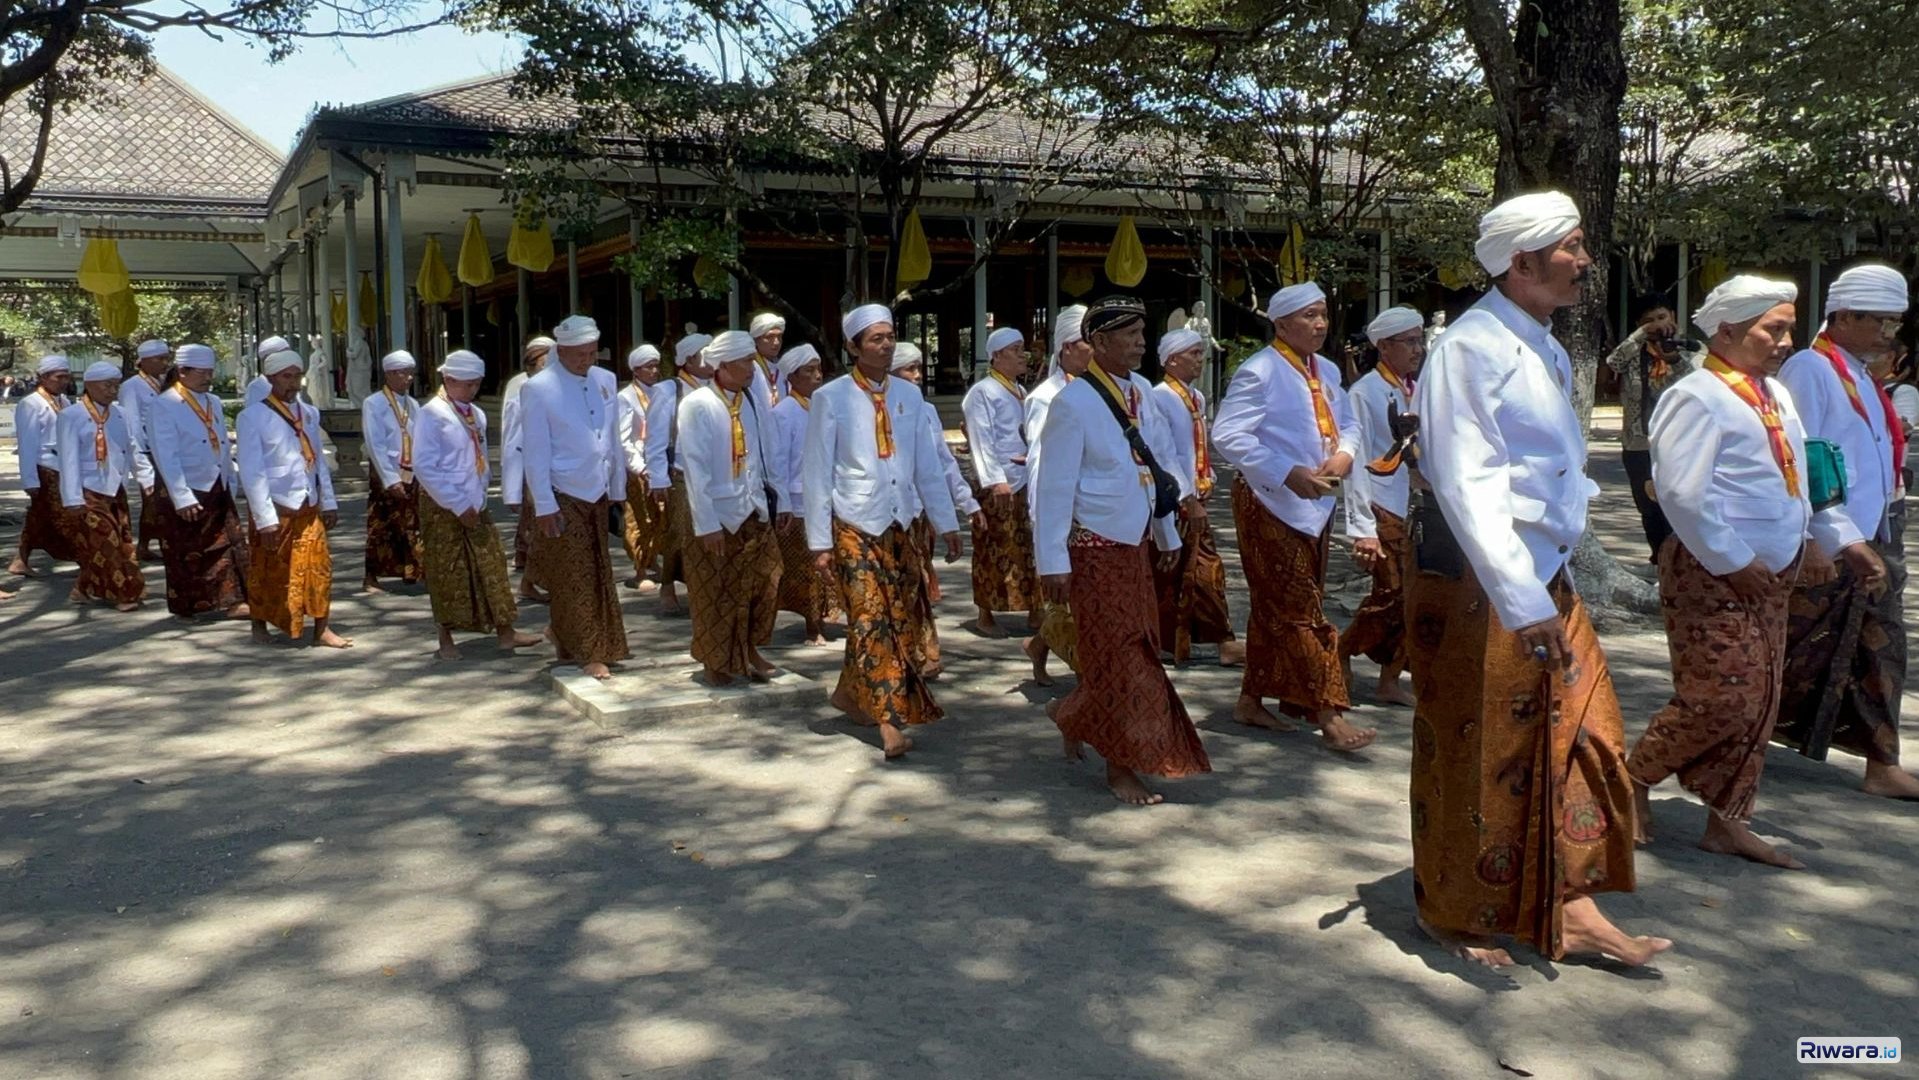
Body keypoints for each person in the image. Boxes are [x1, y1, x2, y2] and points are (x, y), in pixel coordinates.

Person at [1409, 191, 1667, 968]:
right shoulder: (1467, 349)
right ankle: (1456, 913)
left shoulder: (1545, 344)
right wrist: (1521, 600)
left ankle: (1572, 901)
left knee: (1587, 736)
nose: (1585, 262)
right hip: (1484, 585)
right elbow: (1465, 482)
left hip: (1543, 573)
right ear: (1521, 263)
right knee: (1483, 748)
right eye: (1572, 247)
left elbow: (1550, 466)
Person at [1631, 276, 1830, 869]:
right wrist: (1735, 562)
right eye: (1774, 329)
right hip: (1711, 570)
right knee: (1722, 695)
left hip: (1773, 569)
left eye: (1790, 328)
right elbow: (1682, 494)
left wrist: (1811, 539)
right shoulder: (1697, 395)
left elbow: (1794, 473)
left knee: (1763, 697)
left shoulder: (1774, 394)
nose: (1786, 341)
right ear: (1726, 331)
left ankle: (1727, 820)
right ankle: (1632, 777)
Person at [1031, 295, 1209, 805]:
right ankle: (1121, 765)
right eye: (1128, 335)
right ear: (1099, 343)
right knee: (1122, 654)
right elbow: (1054, 488)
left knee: (1137, 645)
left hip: (1136, 543)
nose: (1139, 344)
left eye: (1142, 334)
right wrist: (1053, 562)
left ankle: (1072, 714)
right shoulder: (1073, 403)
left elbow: (1157, 467)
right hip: (1094, 546)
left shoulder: (1143, 397)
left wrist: (1167, 534)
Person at [1774, 263, 1919, 799]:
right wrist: (1814, 537)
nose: (1888, 334)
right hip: (1834, 537)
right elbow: (1801, 457)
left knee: (1878, 647)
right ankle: (1721, 734)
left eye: (1894, 324)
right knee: (1799, 648)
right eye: (1878, 322)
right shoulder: (1812, 370)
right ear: (1843, 315)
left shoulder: (1858, 371)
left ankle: (1882, 761)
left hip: (1873, 529)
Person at [1213, 282, 1375, 752]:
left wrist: (1344, 455)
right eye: (1308, 316)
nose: (1320, 324)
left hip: (1316, 502)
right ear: (1281, 323)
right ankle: (1330, 713)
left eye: (1323, 314)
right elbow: (1228, 435)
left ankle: (1251, 699)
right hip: (1269, 502)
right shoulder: (1259, 371)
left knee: (1275, 606)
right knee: (1302, 609)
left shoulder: (1325, 369)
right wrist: (1285, 472)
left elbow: (1348, 423)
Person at [804, 303, 962, 759]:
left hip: (901, 524)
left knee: (900, 618)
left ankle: (850, 695)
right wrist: (819, 542)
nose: (887, 344)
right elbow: (816, 472)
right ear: (853, 346)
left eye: (890, 336)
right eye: (876, 338)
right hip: (854, 522)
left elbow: (927, 466)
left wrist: (946, 521)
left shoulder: (911, 397)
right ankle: (889, 722)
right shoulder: (830, 398)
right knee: (870, 617)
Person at [412, 350, 543, 661]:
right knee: (446, 571)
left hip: (475, 501)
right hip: (443, 504)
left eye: (476, 384)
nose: (471, 390)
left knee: (492, 565)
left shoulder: (476, 414)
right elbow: (424, 466)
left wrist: (480, 496)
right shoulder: (431, 414)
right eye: (465, 384)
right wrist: (457, 503)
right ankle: (445, 638)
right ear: (448, 379)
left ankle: (505, 631)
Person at [521, 314, 631, 680]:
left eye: (591, 353)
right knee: (573, 574)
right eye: (579, 354)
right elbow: (535, 451)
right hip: (562, 490)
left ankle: (569, 636)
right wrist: (544, 503)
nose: (587, 360)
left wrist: (617, 488)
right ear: (561, 351)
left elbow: (612, 436)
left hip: (598, 489)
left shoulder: (605, 380)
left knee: (599, 570)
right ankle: (589, 651)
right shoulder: (539, 388)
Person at [679, 330, 785, 685]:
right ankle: (716, 661)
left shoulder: (751, 401)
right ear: (722, 365)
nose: (751, 369)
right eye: (744, 362)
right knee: (716, 591)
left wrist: (778, 500)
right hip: (718, 513)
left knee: (767, 579)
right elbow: (695, 468)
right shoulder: (698, 404)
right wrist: (706, 523)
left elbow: (766, 452)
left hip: (753, 507)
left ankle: (750, 647)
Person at [1337, 306, 1427, 706]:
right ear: (1384, 346)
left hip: (1416, 506)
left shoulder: (1415, 387)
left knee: (1415, 596)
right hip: (1380, 503)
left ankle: (1390, 678)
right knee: (1392, 592)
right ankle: (1340, 651)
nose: (1418, 349)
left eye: (1420, 340)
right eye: (1409, 342)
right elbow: (1354, 463)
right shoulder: (1363, 393)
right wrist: (1361, 526)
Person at [237, 348, 351, 648]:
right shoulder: (252, 417)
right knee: (268, 569)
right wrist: (264, 517)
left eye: (298, 376)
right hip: (276, 505)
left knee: (320, 568)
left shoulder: (309, 414)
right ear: (271, 378)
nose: (294, 383)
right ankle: (259, 625)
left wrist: (329, 501)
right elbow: (252, 470)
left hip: (309, 503)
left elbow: (318, 462)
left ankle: (321, 628)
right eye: (287, 377)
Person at [1150, 326, 1245, 667]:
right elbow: (1164, 453)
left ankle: (1204, 641)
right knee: (1185, 569)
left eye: (1200, 354)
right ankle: (1215, 641)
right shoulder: (1160, 396)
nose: (1200, 361)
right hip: (1173, 500)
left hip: (1196, 496)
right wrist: (1186, 496)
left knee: (1196, 570)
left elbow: (1194, 446)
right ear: (1172, 359)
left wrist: (1208, 478)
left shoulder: (1195, 397)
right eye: (1193, 355)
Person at [892, 340, 981, 679]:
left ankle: (920, 651)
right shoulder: (863, 406)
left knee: (915, 585)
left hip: (916, 514)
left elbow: (941, 465)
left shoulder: (925, 411)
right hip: (877, 516)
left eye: (918, 368)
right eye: (909, 369)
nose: (916, 376)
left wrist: (963, 507)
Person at [149, 343, 249, 620]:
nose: (208, 378)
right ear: (182, 371)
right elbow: (165, 454)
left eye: (210, 372)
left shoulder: (213, 402)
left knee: (230, 543)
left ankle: (232, 600)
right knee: (187, 550)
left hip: (217, 482)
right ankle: (189, 604)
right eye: (201, 373)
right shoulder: (164, 404)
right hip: (187, 485)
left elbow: (221, 444)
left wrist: (231, 477)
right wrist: (181, 496)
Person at [1605, 297, 1705, 562]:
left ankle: (1682, 563)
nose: (1658, 325)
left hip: (1678, 444)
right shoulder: (1633, 351)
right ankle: (1659, 560)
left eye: (1661, 317)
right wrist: (1640, 336)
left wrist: (1672, 357)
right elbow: (1613, 363)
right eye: (1649, 321)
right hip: (1638, 444)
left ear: (1672, 315)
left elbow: (1697, 383)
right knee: (1649, 508)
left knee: (1678, 506)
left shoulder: (1691, 348)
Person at [1021, 306, 1089, 686]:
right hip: (1064, 514)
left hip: (1095, 511)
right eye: (1085, 342)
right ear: (1066, 348)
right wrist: (1043, 522)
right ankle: (1090, 682)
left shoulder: (1099, 390)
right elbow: (1039, 464)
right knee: (1069, 601)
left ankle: (1039, 646)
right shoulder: (1045, 398)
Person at [962, 325, 1041, 641]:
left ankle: (1036, 608)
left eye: (1023, 349)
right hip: (999, 484)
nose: (1023, 356)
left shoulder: (1020, 391)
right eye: (1016, 350)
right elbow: (981, 441)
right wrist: (995, 481)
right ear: (996, 356)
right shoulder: (981, 393)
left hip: (1024, 480)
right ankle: (985, 613)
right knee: (993, 547)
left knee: (1028, 547)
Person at [56, 361, 148, 610]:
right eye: (107, 385)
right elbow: (68, 459)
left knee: (118, 541)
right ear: (89, 385)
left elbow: (132, 448)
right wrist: (72, 497)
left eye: (115, 385)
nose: (112, 391)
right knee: (106, 542)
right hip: (88, 489)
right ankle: (122, 594)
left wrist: (145, 478)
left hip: (114, 486)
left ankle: (82, 588)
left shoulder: (121, 414)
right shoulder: (71, 416)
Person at [771, 343, 838, 644]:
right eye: (808, 371)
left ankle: (825, 617)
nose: (817, 376)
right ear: (792, 377)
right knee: (804, 568)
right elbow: (779, 462)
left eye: (818, 369)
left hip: (826, 497)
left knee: (826, 563)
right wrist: (783, 502)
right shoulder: (784, 412)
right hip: (798, 502)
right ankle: (812, 624)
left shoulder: (825, 406)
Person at [649, 331, 714, 617]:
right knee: (679, 532)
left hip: (714, 473)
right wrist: (657, 477)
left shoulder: (717, 386)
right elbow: (656, 437)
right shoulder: (669, 389)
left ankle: (704, 586)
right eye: (706, 354)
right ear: (689, 359)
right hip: (681, 473)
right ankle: (667, 585)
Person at [9, 355, 78, 580]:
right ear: (43, 377)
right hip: (44, 466)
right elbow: (27, 444)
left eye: (66, 376)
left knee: (39, 516)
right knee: (64, 516)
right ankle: (85, 557)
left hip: (63, 467)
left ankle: (21, 559)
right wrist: (30, 480)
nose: (64, 381)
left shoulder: (64, 401)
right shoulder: (30, 404)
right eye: (59, 377)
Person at [361, 350, 423, 592]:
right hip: (386, 469)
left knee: (412, 521)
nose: (408, 378)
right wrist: (389, 478)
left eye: (410, 373)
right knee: (382, 522)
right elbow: (375, 443)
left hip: (411, 469)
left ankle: (411, 570)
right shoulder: (374, 403)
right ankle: (371, 576)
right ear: (389, 374)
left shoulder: (413, 403)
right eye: (402, 373)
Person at [502, 336, 553, 602]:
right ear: (531, 364)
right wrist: (511, 489)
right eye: (544, 363)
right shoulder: (519, 386)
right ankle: (530, 582)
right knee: (538, 528)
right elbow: (512, 437)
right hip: (533, 470)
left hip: (559, 470)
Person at [119, 338, 173, 562]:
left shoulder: (164, 383)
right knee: (153, 500)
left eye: (166, 358)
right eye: (160, 359)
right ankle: (147, 544)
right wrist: (140, 463)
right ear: (144, 362)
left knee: (163, 502)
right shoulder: (132, 387)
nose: (165, 363)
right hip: (146, 452)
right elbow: (131, 425)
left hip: (165, 451)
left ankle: (146, 545)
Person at [617, 344, 665, 594]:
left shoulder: (660, 392)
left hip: (657, 463)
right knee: (639, 518)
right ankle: (639, 569)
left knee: (659, 517)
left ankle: (653, 559)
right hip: (638, 467)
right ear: (636, 370)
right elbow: (623, 438)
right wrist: (638, 466)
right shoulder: (626, 397)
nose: (654, 371)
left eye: (656, 365)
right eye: (649, 366)